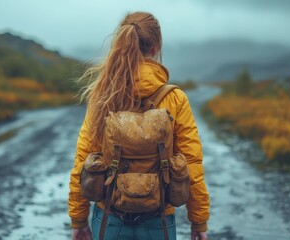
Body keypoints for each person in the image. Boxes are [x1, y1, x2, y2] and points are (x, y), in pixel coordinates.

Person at [68, 11, 209, 240]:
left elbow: (82, 160)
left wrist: (79, 218)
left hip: (109, 219)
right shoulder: (175, 99)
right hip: (159, 220)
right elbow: (192, 163)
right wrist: (199, 222)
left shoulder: (104, 95)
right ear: (155, 47)